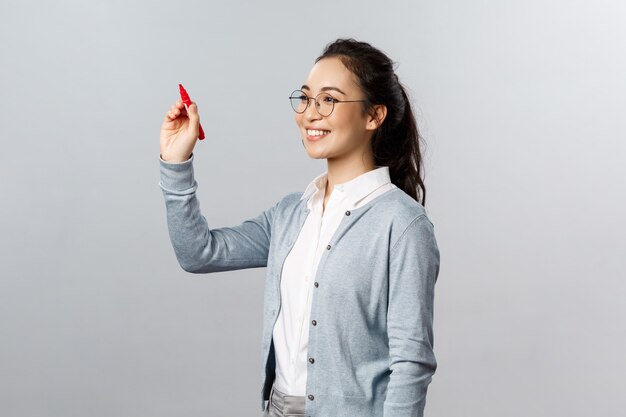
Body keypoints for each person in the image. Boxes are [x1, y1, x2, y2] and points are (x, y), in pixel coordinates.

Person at [158, 38, 440, 417]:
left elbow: (411, 363)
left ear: (373, 116)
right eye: (305, 98)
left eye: (329, 100)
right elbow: (199, 253)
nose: (310, 113)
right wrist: (176, 163)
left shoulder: (402, 225)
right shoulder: (292, 212)